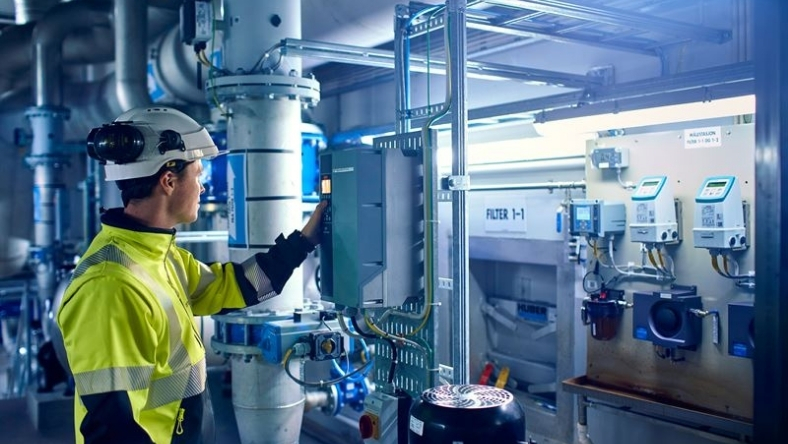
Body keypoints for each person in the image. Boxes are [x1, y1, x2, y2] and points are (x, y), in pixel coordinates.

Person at [57, 106, 326, 444]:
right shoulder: (111, 286)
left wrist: (303, 242)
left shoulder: (162, 256)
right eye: (197, 175)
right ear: (168, 180)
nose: (201, 188)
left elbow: (239, 287)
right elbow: (113, 429)